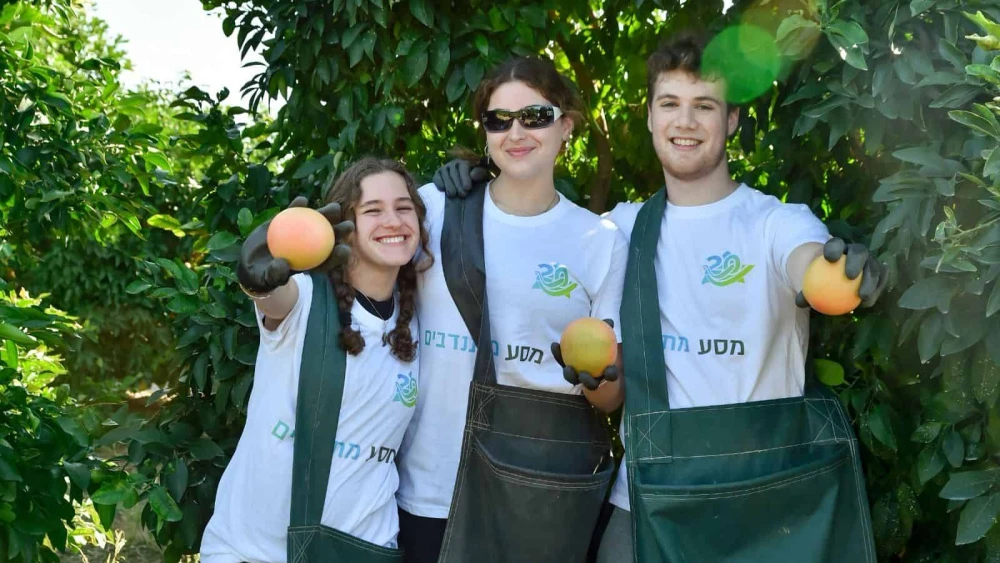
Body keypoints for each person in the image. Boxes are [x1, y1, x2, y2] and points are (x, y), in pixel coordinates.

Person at [436, 33, 886, 563]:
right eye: (670, 104)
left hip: (764, 497)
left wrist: (837, 272)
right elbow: (537, 234)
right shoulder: (620, 230)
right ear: (650, 117)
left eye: (704, 106)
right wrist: (474, 184)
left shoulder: (776, 223)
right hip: (649, 498)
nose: (685, 121)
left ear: (732, 121)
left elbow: (807, 263)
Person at [395, 56, 629, 563]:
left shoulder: (600, 240)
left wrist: (598, 378)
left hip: (538, 489)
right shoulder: (435, 208)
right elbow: (364, 293)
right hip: (431, 485)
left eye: (535, 117)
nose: (516, 133)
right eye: (499, 120)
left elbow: (610, 401)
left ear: (566, 126)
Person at [200, 157, 432, 563]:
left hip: (364, 549)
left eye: (403, 207)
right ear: (345, 226)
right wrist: (257, 279)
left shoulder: (416, 317)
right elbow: (275, 298)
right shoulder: (307, 298)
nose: (393, 221)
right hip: (253, 551)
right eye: (373, 210)